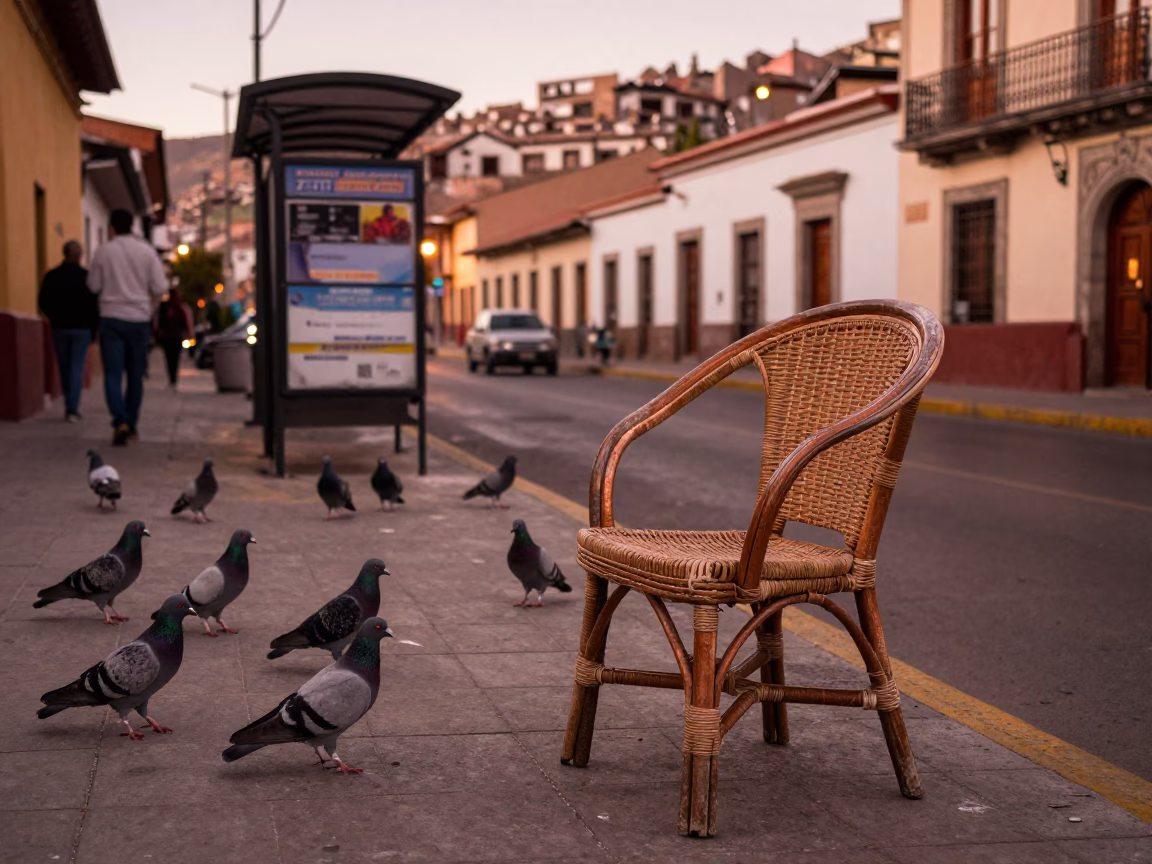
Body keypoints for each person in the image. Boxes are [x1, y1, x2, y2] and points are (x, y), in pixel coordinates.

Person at [87, 209, 167, 446]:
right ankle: (131, 423)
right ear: (132, 225)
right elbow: (160, 286)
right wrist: (148, 307)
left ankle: (119, 420)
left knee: (112, 374)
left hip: (111, 318)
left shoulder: (103, 252)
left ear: (111, 227)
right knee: (135, 376)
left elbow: (93, 286)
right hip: (139, 320)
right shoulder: (147, 252)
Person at [38, 240, 99, 422]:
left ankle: (69, 405)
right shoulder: (87, 277)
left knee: (64, 367)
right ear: (79, 255)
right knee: (76, 367)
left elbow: (43, 301)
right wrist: (94, 329)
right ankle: (72, 409)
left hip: (59, 328)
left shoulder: (52, 276)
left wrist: (54, 317)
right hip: (81, 329)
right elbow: (95, 306)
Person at [155, 286, 193, 388]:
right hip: (175, 337)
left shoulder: (167, 307)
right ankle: (173, 378)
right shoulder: (178, 307)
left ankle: (172, 377)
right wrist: (188, 334)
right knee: (174, 358)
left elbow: (158, 323)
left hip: (169, 337)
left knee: (169, 358)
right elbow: (186, 322)